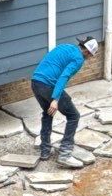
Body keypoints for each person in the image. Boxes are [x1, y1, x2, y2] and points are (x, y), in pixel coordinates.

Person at [30, 36, 99, 164]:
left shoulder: (65, 46)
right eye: (91, 56)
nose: (89, 58)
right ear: (88, 52)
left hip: (35, 83)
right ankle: (65, 154)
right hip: (49, 86)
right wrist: (55, 99)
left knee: (47, 113)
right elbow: (64, 76)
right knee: (73, 116)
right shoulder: (78, 59)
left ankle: (45, 150)